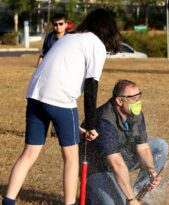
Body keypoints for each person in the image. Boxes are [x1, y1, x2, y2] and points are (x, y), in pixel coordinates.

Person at [2, 8, 121, 205]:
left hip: (35, 94)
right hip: (60, 99)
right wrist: (91, 126)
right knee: (71, 158)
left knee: (29, 153)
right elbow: (91, 88)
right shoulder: (96, 45)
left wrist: (81, 128)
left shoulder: (70, 37)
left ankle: (8, 201)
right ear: (109, 29)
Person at [79, 80, 168, 205]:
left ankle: (137, 193)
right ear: (119, 101)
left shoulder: (134, 112)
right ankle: (95, 194)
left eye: (139, 96)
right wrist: (130, 199)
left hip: (119, 157)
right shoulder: (103, 121)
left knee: (160, 146)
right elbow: (116, 164)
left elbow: (142, 147)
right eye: (133, 98)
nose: (138, 102)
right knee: (117, 203)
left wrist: (151, 170)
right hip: (97, 168)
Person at [37, 13, 68, 137]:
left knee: (62, 101)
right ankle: (50, 129)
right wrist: (38, 72)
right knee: (49, 101)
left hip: (65, 75)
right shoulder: (49, 38)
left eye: (61, 24)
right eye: (55, 24)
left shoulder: (70, 38)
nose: (58, 27)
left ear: (66, 24)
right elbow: (43, 55)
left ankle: (58, 128)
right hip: (49, 76)